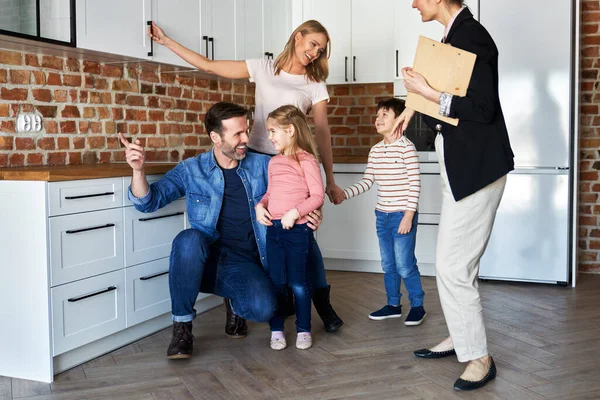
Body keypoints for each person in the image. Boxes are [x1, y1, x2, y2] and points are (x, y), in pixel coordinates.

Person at [148, 19, 344, 334]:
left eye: (321, 49)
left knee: (301, 234)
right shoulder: (264, 67)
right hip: (252, 161)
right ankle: (237, 304)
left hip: (290, 165)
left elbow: (321, 133)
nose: (315, 52)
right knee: (240, 226)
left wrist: (329, 179)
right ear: (298, 37)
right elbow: (210, 66)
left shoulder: (314, 84)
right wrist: (168, 42)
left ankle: (322, 304)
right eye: (313, 44)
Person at [119, 102, 323, 359]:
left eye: (246, 131)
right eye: (238, 134)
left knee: (263, 309)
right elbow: (148, 202)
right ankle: (182, 327)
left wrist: (312, 212)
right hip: (211, 258)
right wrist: (138, 171)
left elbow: (302, 188)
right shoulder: (192, 170)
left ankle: (235, 299)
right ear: (215, 137)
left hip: (251, 260)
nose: (246, 139)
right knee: (188, 241)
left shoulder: (264, 164)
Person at [395, 0, 515, 391]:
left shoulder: (472, 37)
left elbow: (481, 108)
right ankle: (460, 337)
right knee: (457, 263)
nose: (413, 2)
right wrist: (411, 108)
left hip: (478, 170)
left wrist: (426, 89)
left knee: (451, 266)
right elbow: (446, 97)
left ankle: (479, 357)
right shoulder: (452, 37)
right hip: (463, 169)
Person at [336, 98, 426, 326]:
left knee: (405, 265)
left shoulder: (407, 148)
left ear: (400, 119)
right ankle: (393, 305)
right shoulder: (375, 151)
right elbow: (368, 181)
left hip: (401, 216)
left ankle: (418, 306)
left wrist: (408, 215)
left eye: (384, 115)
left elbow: (415, 184)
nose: (378, 119)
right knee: (388, 265)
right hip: (382, 216)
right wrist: (345, 193)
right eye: (377, 116)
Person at [256, 105, 324, 350]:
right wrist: (260, 206)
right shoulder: (274, 162)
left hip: (298, 231)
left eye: (273, 131)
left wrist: (294, 213)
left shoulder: (307, 161)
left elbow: (317, 196)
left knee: (297, 283)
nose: (270, 137)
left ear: (291, 130)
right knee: (276, 282)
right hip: (273, 230)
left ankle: (303, 330)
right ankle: (276, 330)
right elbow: (270, 192)